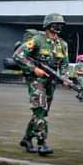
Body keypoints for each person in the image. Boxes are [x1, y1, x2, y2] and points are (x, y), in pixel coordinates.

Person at [13, 12, 70, 155]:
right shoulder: (37, 40)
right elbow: (18, 55)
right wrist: (34, 69)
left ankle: (26, 138)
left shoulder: (62, 44)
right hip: (36, 80)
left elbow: (64, 63)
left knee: (42, 112)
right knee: (40, 109)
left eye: (60, 25)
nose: (59, 27)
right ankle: (42, 143)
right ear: (48, 25)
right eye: (56, 24)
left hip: (50, 82)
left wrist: (65, 78)